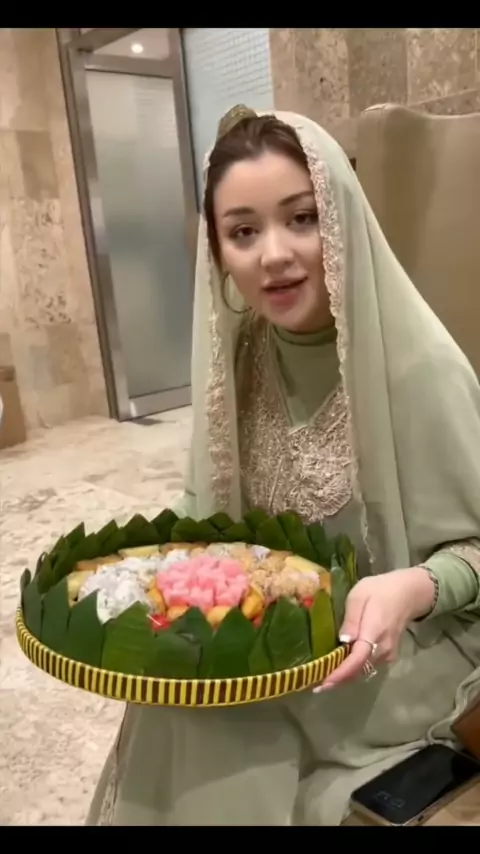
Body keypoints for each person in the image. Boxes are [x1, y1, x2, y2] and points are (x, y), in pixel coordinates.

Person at [87, 106, 480, 826]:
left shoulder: (419, 369)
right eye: (243, 231)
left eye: (302, 218)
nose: (274, 254)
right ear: (217, 252)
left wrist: (414, 587)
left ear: (341, 220)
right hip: (276, 640)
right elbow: (209, 510)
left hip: (396, 658)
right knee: (171, 689)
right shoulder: (241, 358)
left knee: (212, 720)